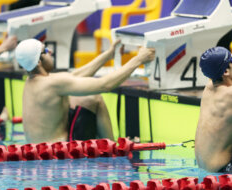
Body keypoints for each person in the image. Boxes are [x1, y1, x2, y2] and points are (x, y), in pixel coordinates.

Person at [15, 39, 155, 143]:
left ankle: (111, 147)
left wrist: (108, 54)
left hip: (39, 155)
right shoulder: (52, 84)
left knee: (83, 99)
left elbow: (75, 76)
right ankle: (113, 149)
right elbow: (105, 85)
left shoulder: (33, 81)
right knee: (95, 98)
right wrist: (138, 60)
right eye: (45, 51)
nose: (50, 52)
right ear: (39, 61)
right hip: (59, 156)